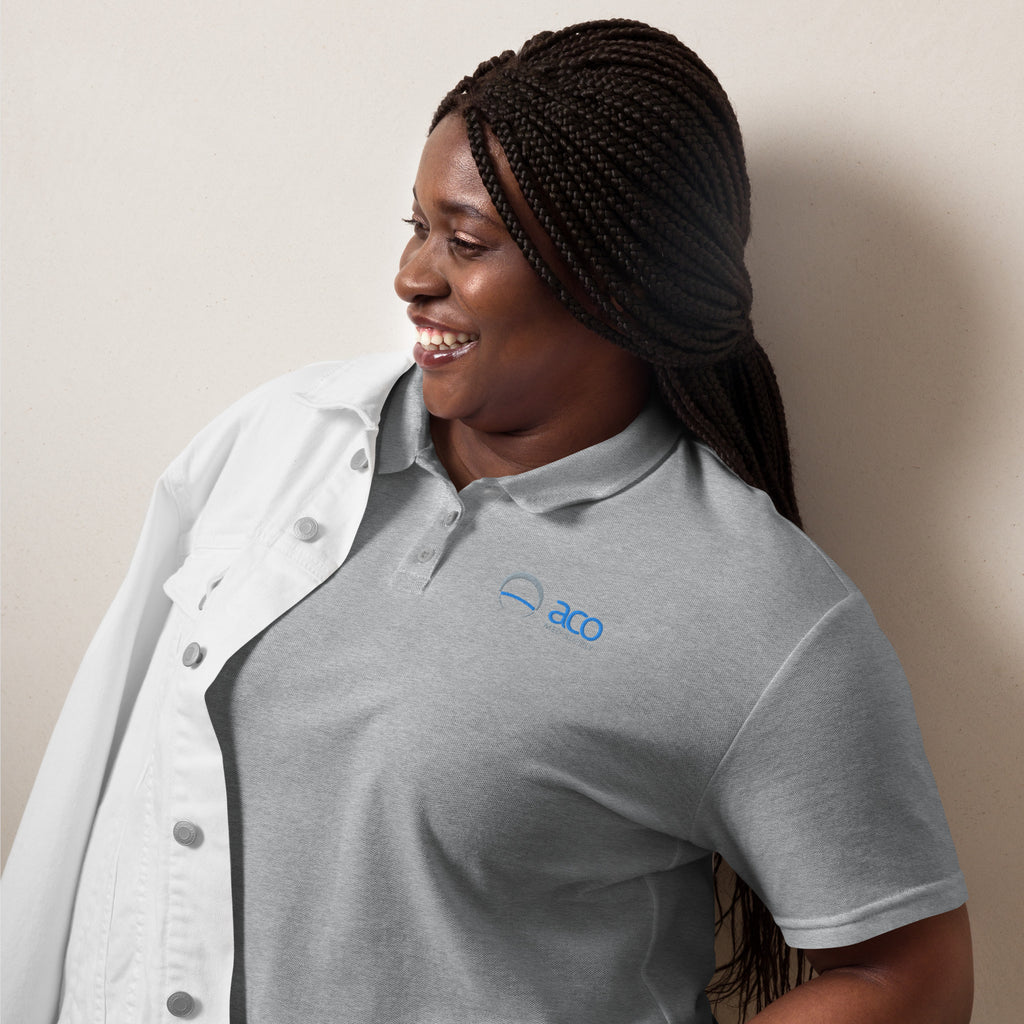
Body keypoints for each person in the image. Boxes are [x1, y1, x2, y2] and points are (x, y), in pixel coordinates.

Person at [2, 18, 972, 1024]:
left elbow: (909, 973)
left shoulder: (757, 611)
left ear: (615, 279)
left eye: (464, 243)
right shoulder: (280, 436)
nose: (411, 276)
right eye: (415, 226)